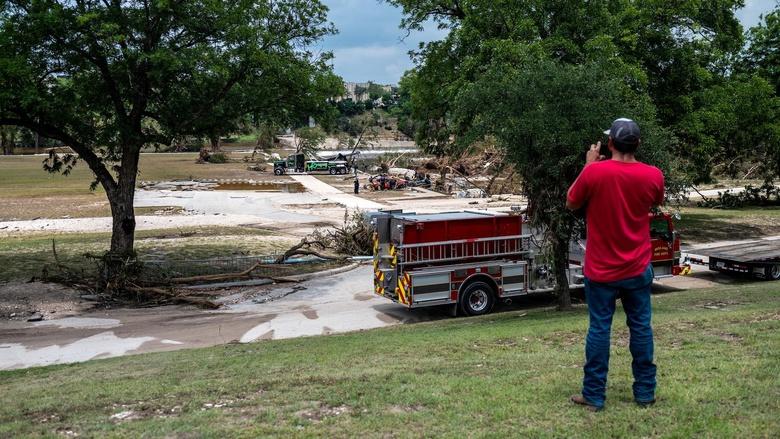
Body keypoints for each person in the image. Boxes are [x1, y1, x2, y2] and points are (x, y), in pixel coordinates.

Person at [566, 118, 665, 412]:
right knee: (641, 328)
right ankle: (645, 393)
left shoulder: (595, 172)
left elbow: (571, 202)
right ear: (638, 144)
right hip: (637, 268)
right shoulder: (653, 175)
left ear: (610, 144)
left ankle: (594, 396)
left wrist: (588, 165)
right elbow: (655, 201)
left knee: (599, 329)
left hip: (601, 270)